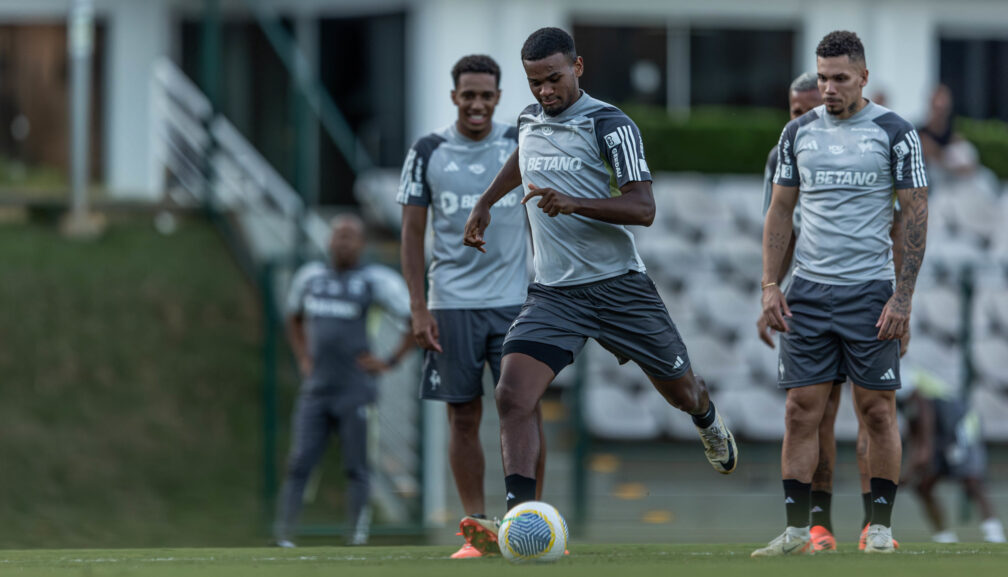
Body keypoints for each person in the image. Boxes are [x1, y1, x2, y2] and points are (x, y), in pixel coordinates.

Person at [462, 26, 738, 555]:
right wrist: (485, 201)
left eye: (554, 79)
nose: (545, 92)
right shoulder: (526, 120)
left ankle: (707, 418)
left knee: (683, 392)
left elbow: (644, 208)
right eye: (535, 82)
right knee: (511, 394)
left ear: (578, 67)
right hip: (555, 295)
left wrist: (574, 202)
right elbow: (523, 157)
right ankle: (521, 520)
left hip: (619, 290)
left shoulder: (611, 124)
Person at [755, 30, 928, 556]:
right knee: (800, 411)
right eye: (823, 77)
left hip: (870, 292)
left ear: (864, 78)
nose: (829, 88)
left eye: (840, 79)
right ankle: (796, 532)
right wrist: (769, 286)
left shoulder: (896, 133)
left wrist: (902, 298)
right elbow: (780, 212)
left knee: (876, 412)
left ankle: (878, 529)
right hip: (808, 292)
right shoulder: (798, 133)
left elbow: (915, 215)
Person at [397, 54, 545, 559]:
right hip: (452, 305)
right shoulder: (428, 150)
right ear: (454, 96)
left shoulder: (520, 144)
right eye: (468, 95)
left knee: (524, 410)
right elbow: (412, 235)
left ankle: (532, 525)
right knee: (463, 416)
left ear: (499, 97)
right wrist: (419, 308)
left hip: (515, 304)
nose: (477, 104)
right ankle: (479, 530)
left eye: (486, 95)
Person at [274, 215, 414, 548]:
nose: (342, 242)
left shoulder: (376, 282)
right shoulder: (310, 277)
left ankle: (356, 535)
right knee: (299, 462)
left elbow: (415, 321)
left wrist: (390, 361)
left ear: (362, 244)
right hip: (317, 390)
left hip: (356, 389)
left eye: (350, 236)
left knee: (357, 466)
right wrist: (303, 357)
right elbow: (293, 317)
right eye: (337, 235)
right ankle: (283, 535)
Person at [901, 368, 1007, 544]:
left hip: (960, 424)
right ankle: (944, 538)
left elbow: (924, 427)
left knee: (971, 480)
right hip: (938, 433)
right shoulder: (897, 388)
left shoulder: (907, 380)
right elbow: (914, 429)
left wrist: (915, 462)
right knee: (923, 485)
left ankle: (994, 533)